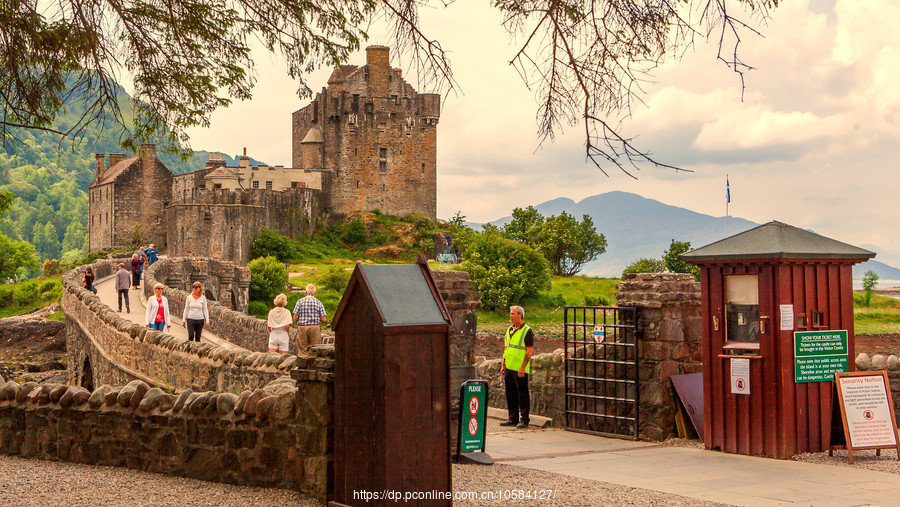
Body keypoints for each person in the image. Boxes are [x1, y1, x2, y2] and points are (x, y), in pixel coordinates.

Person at [500, 305, 534, 429]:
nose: (511, 316)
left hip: (520, 369)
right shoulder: (509, 330)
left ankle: (524, 419)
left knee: (522, 394)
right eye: (510, 313)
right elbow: (506, 348)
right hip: (509, 366)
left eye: (513, 314)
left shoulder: (527, 331)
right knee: (511, 393)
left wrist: (522, 367)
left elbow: (529, 352)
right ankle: (512, 417)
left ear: (520, 315)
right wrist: (503, 364)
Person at [292, 284, 326, 355]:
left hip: (303, 327)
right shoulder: (319, 303)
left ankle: (303, 364)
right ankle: (312, 364)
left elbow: (295, 318)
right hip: (315, 327)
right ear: (315, 292)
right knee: (315, 349)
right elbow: (323, 319)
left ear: (306, 292)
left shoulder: (299, 302)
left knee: (303, 349)